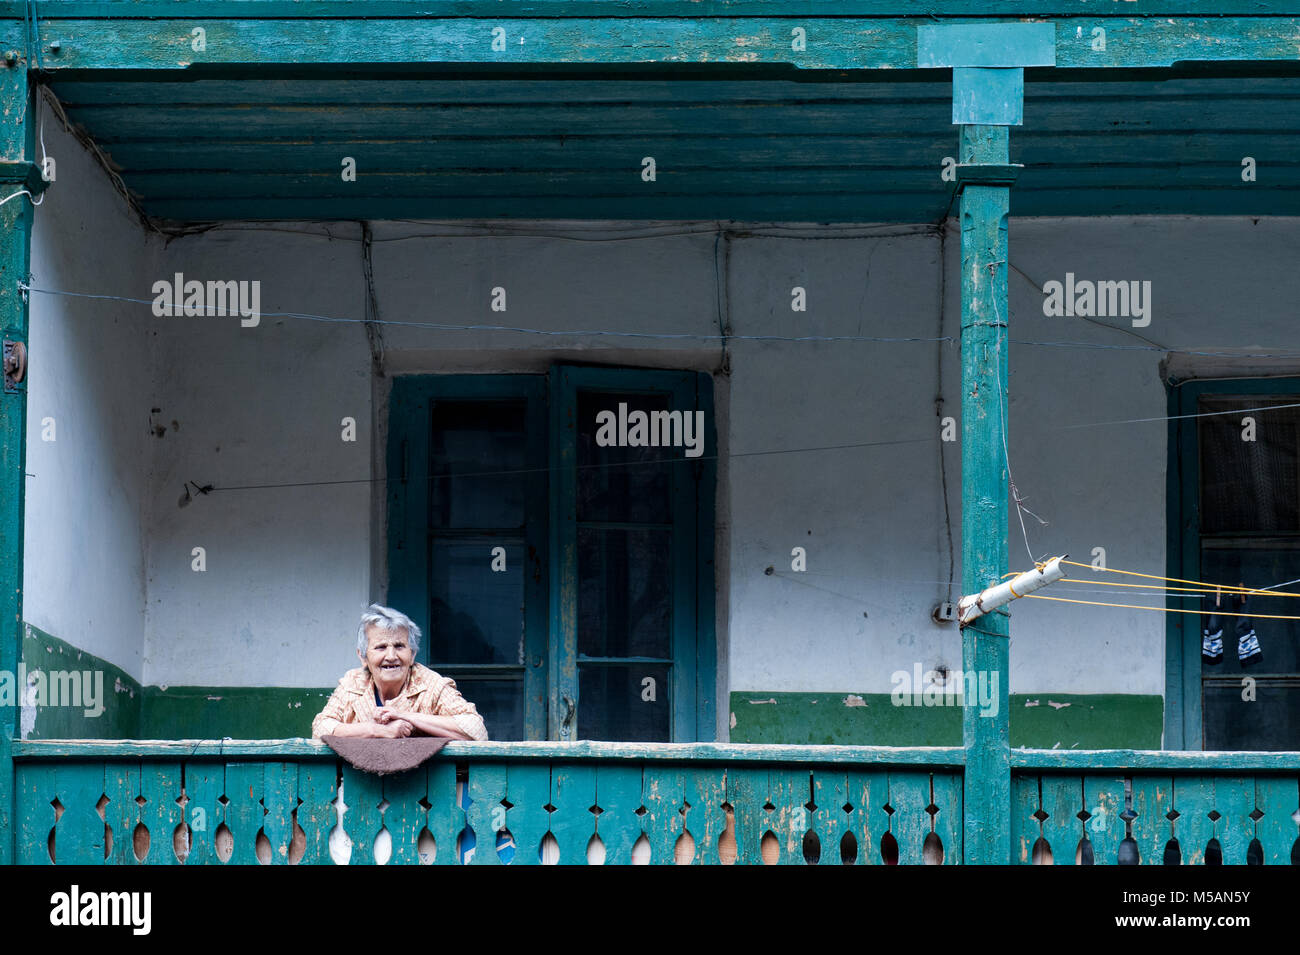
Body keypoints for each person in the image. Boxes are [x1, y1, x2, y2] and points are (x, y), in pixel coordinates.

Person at [311, 604, 489, 740]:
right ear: (363, 657)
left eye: (399, 646)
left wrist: (405, 716)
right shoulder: (353, 683)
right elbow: (321, 729)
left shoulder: (430, 684)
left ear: (412, 654)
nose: (391, 656)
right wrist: (377, 730)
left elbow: (476, 730)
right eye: (380, 647)